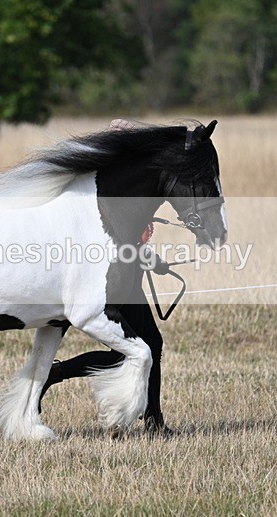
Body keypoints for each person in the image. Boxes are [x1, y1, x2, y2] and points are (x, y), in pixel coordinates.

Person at [38, 119, 178, 436]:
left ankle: (153, 419)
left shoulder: (126, 183)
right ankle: (54, 375)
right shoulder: (111, 186)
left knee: (148, 344)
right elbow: (110, 239)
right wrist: (146, 258)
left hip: (126, 274)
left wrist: (146, 257)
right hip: (110, 279)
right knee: (132, 349)